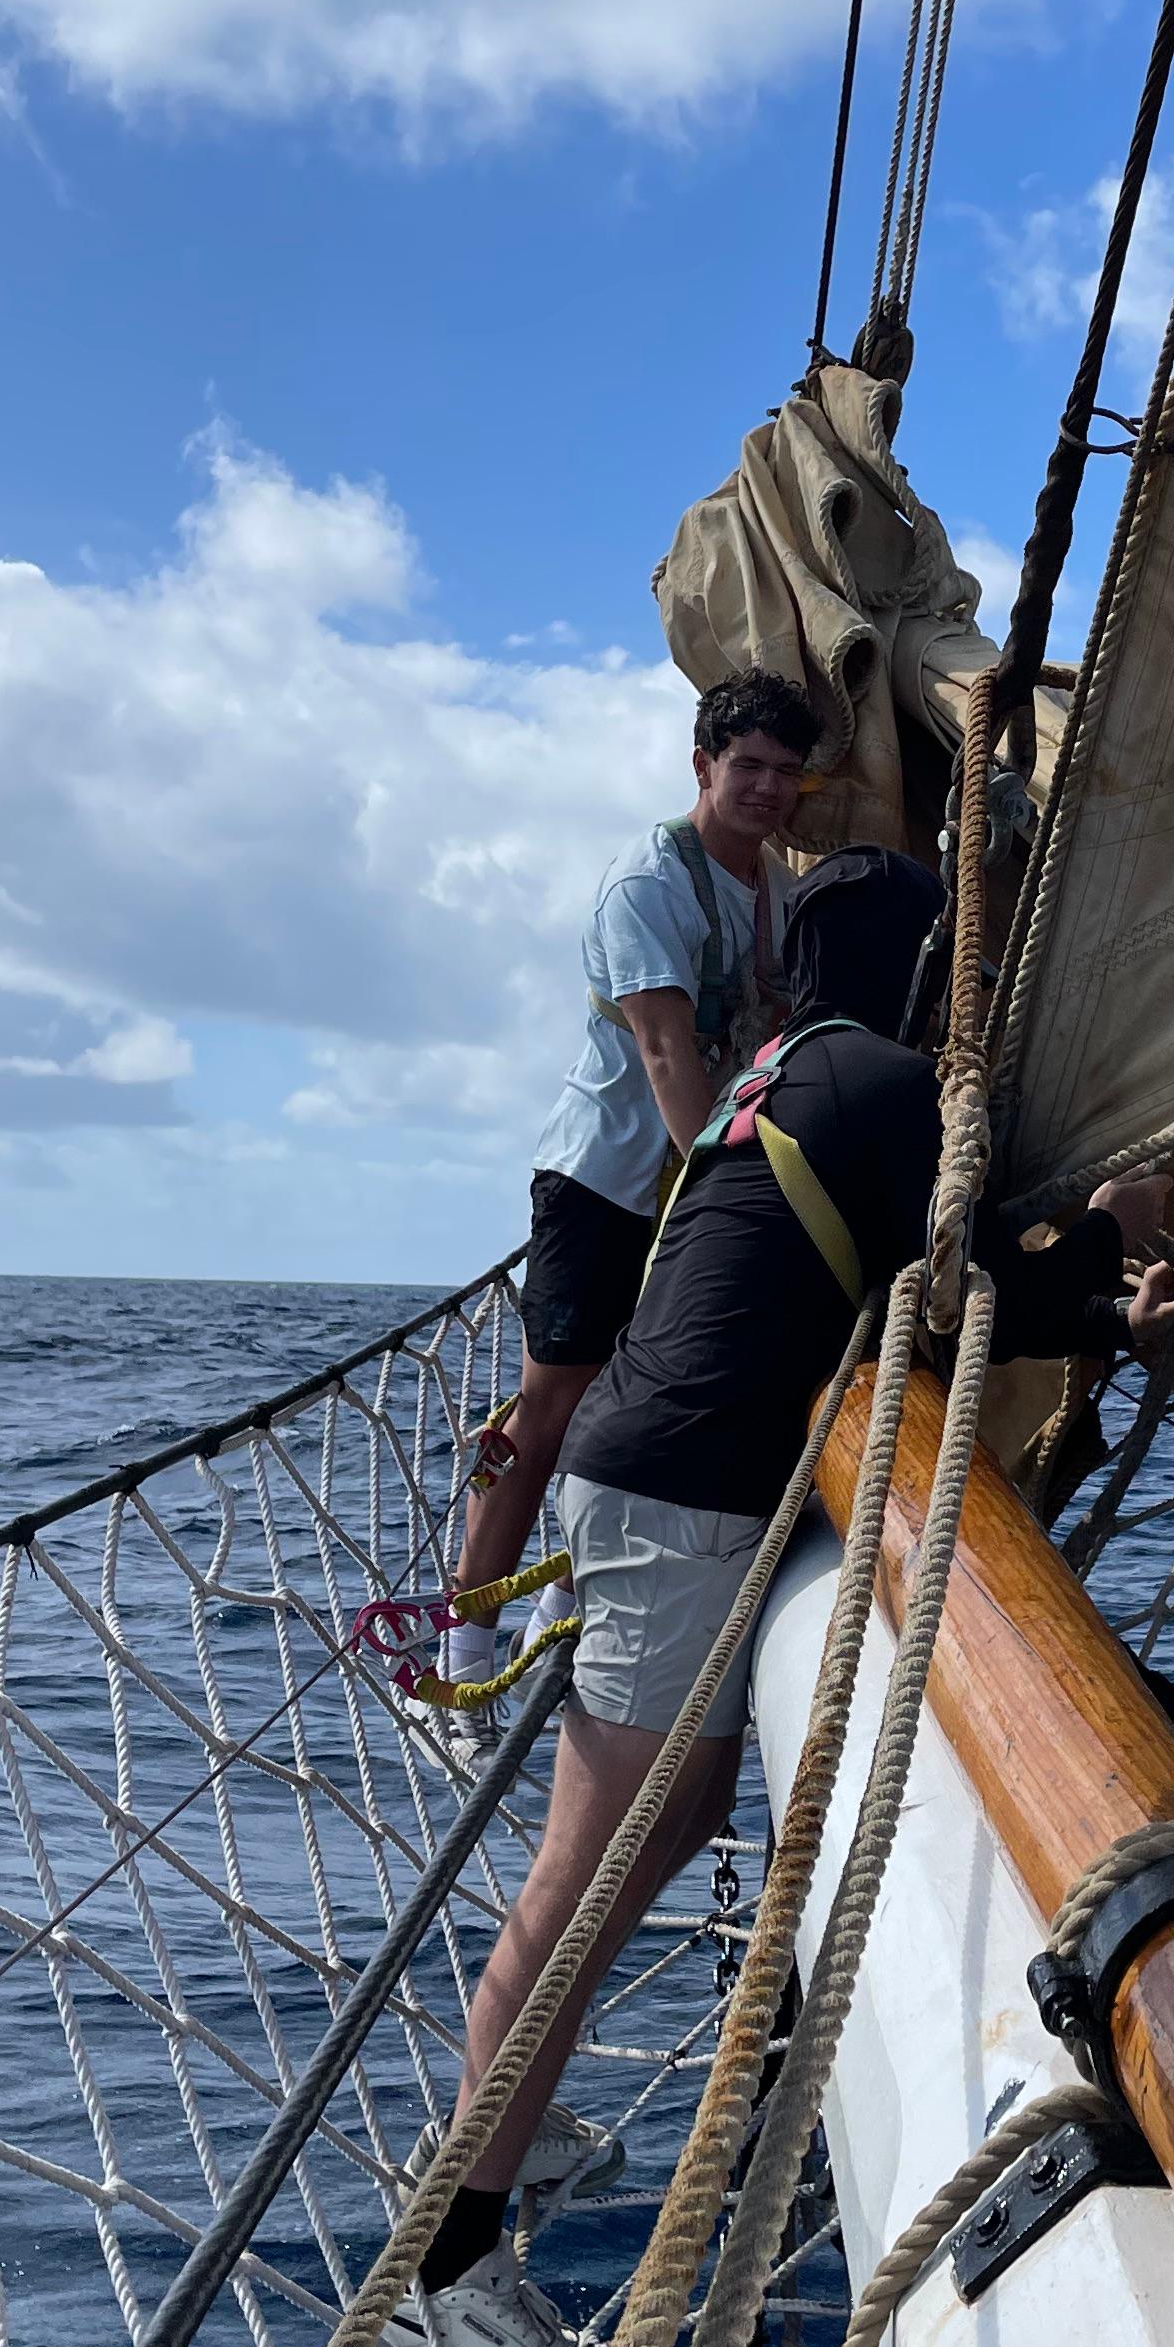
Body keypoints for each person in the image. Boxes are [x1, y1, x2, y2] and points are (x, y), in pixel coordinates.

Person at [406, 846, 1174, 2347]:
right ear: (926, 979)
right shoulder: (892, 1088)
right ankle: (456, 2269)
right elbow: (976, 1292)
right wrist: (1111, 1242)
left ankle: (518, 2101)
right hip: (684, 1501)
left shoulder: (787, 1071)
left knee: (667, 1812)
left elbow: (920, 1286)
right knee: (597, 1863)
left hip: (649, 1476)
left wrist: (1101, 1307)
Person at [455, 671, 821, 1634]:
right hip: (608, 1181)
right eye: (747, 765)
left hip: (694, 1181)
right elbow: (663, 1050)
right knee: (553, 1408)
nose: (768, 788)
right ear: (702, 764)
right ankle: (465, 1630)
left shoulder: (781, 893)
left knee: (641, 1403)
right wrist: (726, 1192)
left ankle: (567, 1598)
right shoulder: (648, 883)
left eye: (788, 772)